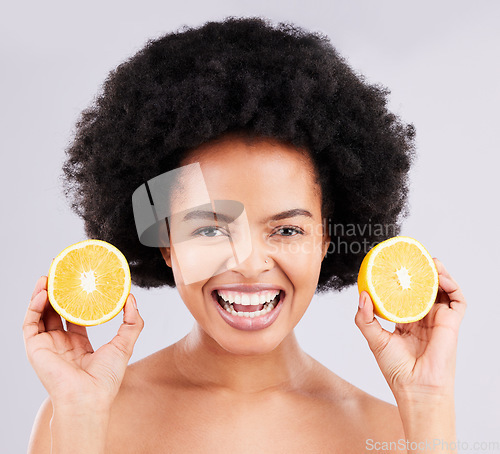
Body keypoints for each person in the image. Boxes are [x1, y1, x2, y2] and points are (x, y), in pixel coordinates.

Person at [23, 17, 466, 453]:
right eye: (211, 228)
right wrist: (81, 414)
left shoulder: (390, 435)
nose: (250, 264)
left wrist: (427, 401)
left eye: (288, 229)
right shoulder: (80, 415)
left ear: (327, 238)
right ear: (167, 243)